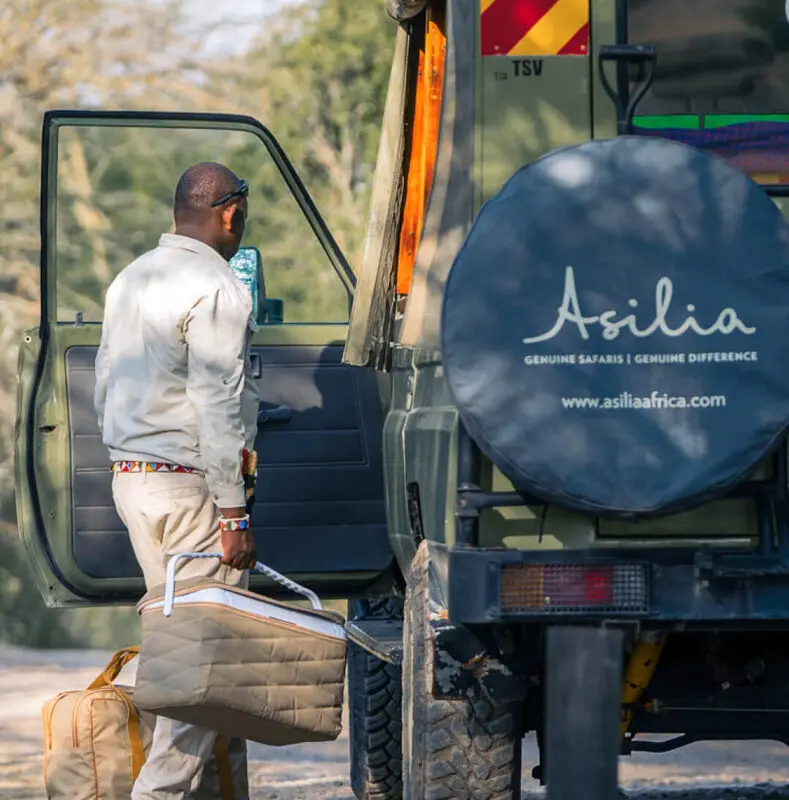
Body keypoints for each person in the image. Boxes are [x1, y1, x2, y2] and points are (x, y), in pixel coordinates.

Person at [94, 162, 260, 799]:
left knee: (182, 648)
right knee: (204, 662)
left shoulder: (131, 278)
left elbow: (108, 382)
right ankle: (156, 794)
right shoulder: (214, 285)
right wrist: (234, 511)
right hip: (191, 490)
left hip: (134, 481)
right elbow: (218, 407)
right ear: (229, 212)